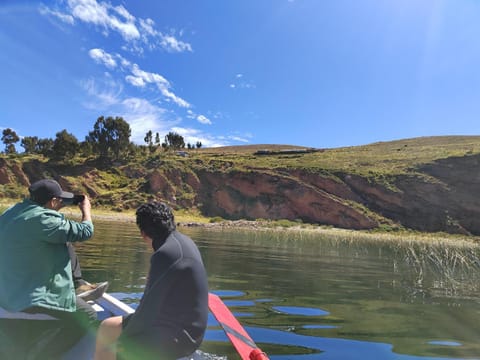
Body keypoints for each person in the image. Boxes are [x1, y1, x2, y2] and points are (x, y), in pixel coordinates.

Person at [0, 178, 105, 359]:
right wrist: (86, 211)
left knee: (60, 242)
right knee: (88, 315)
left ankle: (78, 284)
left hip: (6, 290)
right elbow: (85, 231)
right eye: (59, 200)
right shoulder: (44, 219)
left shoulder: (11, 213)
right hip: (29, 297)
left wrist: (55, 207)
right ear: (53, 201)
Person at [94, 201, 209, 360]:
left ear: (143, 233)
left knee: (118, 343)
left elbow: (148, 310)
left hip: (178, 337)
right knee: (107, 327)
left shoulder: (165, 254)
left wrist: (125, 340)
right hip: (189, 330)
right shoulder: (183, 242)